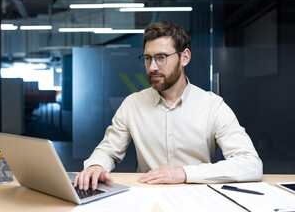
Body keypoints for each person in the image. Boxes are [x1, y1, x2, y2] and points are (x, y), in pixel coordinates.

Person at [74, 21, 263, 191]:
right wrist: (96, 166)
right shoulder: (133, 104)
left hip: (197, 196)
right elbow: (108, 150)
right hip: (146, 195)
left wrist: (184, 173)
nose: (152, 67)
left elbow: (250, 164)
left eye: (161, 57)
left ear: (185, 57)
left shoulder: (212, 106)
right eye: (148, 58)